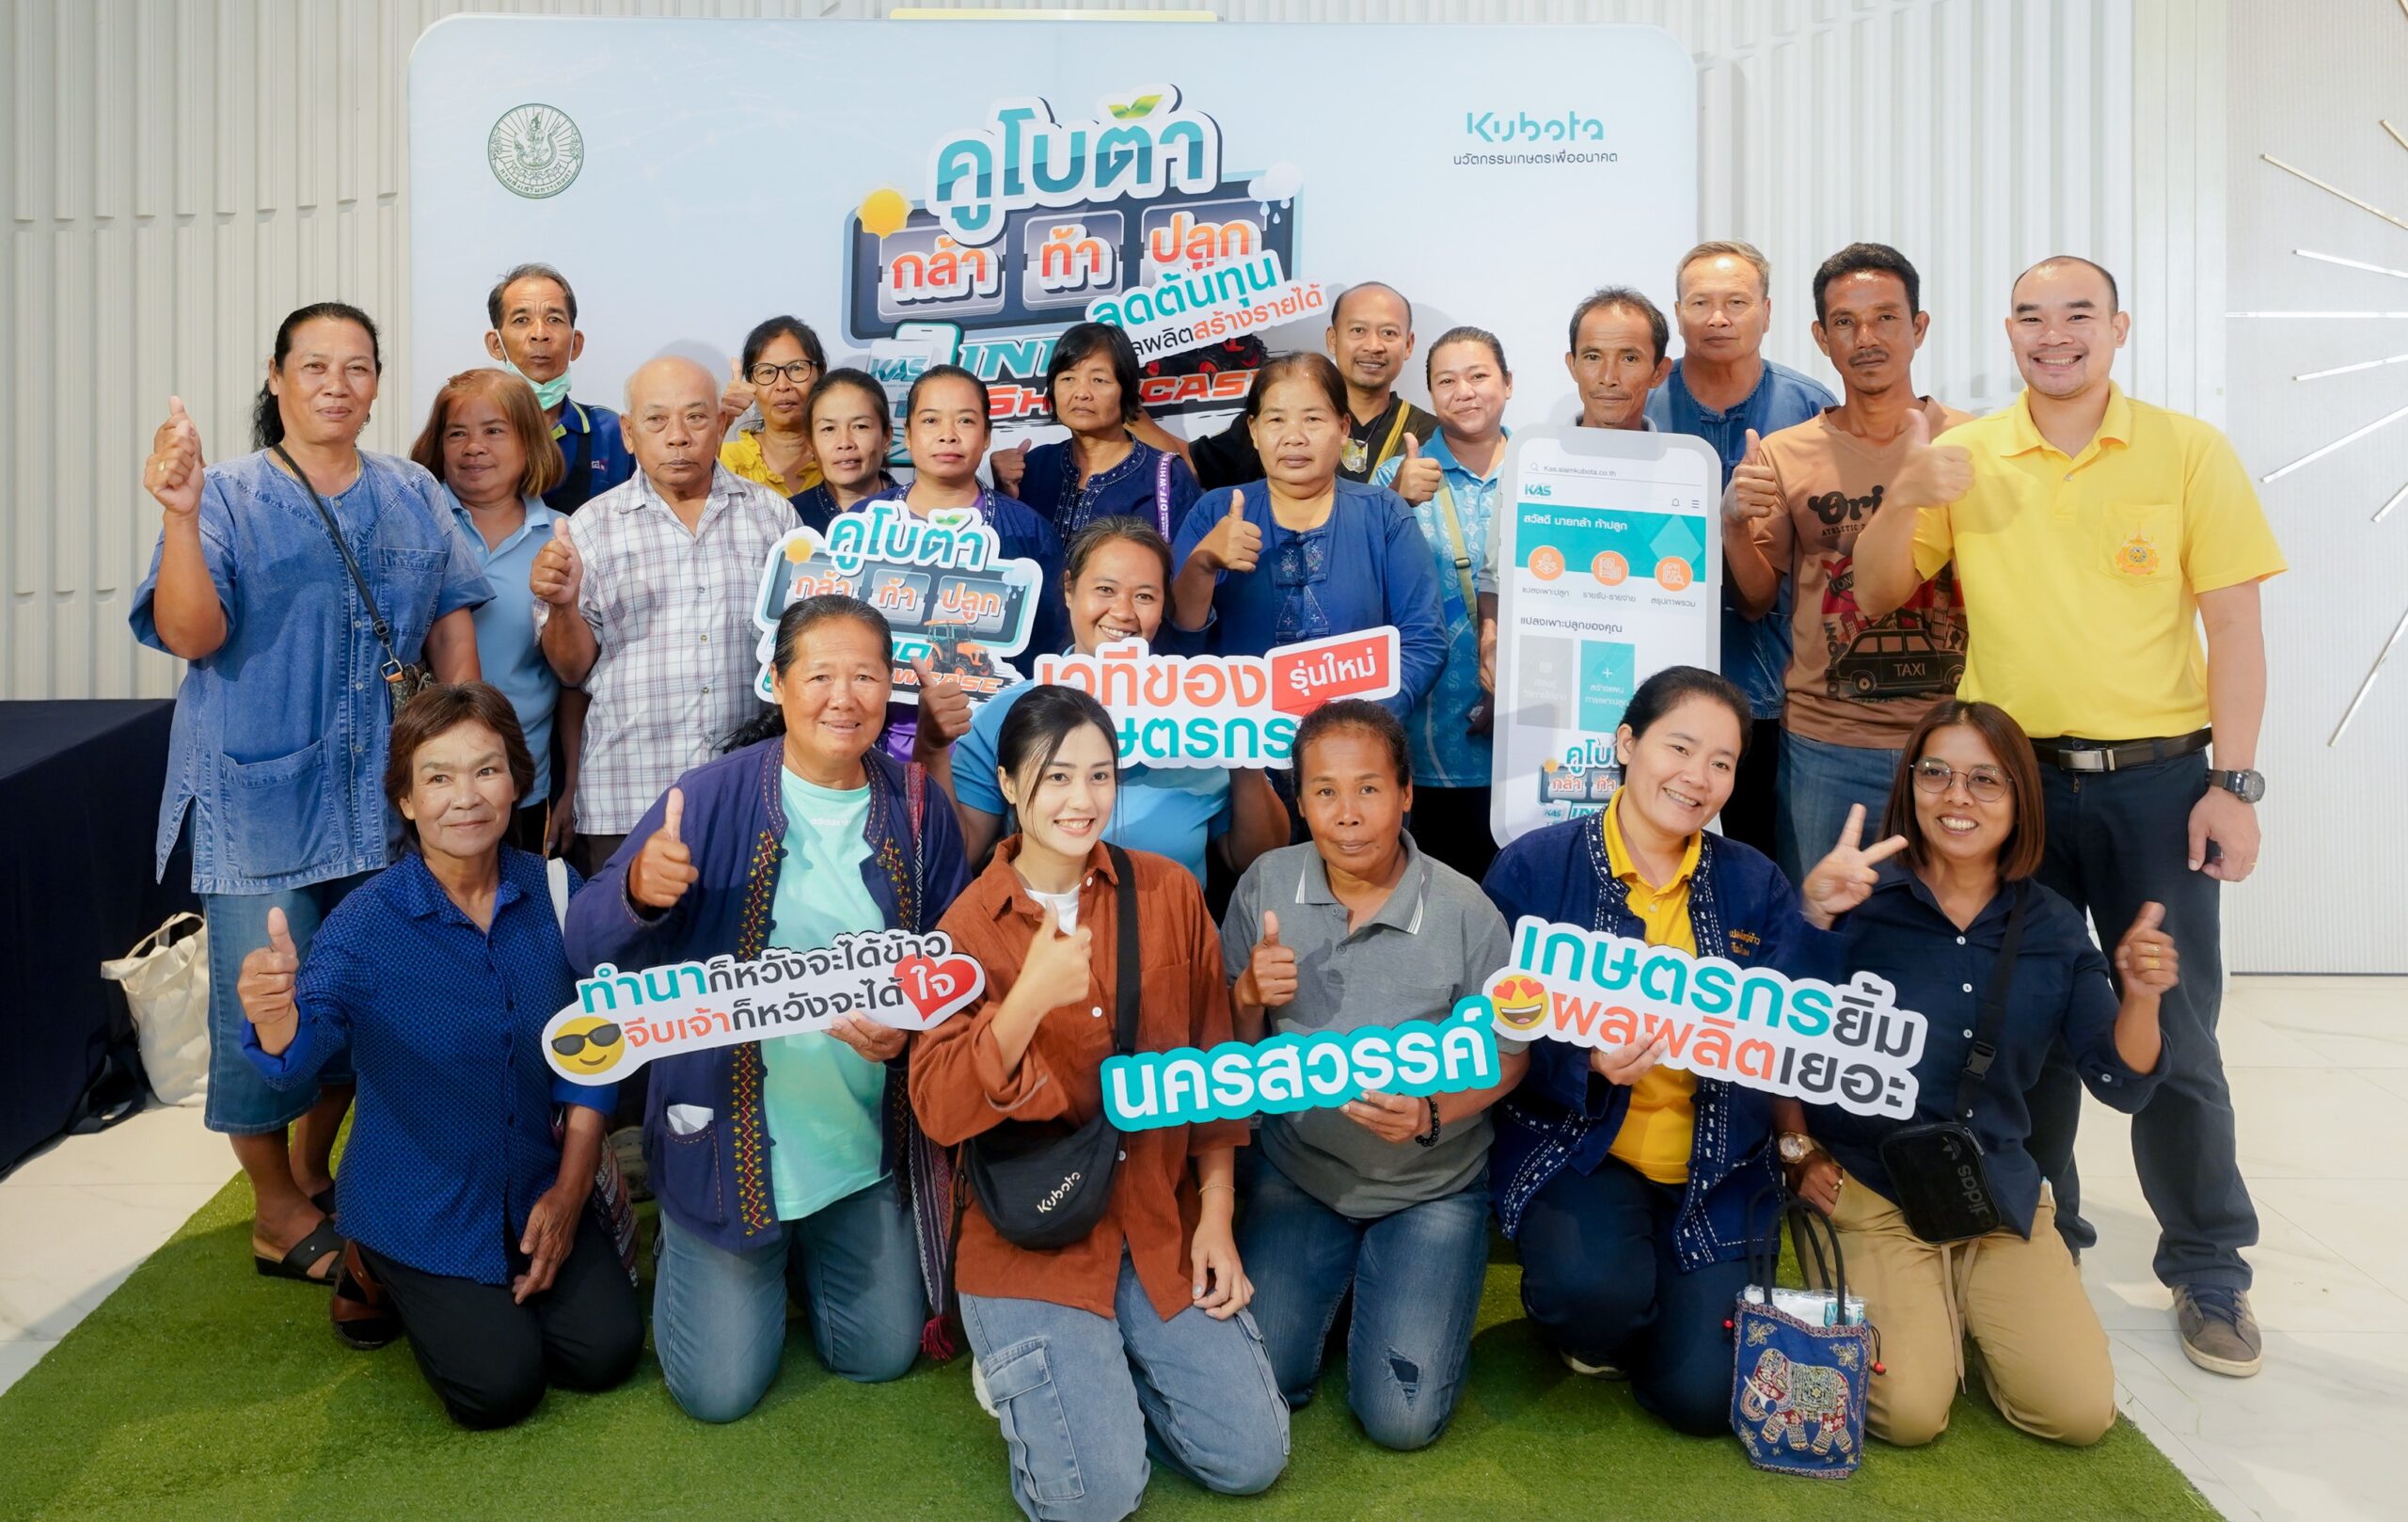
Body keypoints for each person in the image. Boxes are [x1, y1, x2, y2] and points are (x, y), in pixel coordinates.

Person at [1851, 255, 2286, 1378]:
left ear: (2118, 327)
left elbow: (2233, 631)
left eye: (2077, 315)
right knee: (2025, 1017)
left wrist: (2232, 785)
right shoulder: (1971, 453)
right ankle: (2044, 1227)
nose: (2055, 337)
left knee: (2169, 1018)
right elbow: (1882, 587)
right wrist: (1906, 487)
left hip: (2156, 780)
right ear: (2008, 332)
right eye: (2032, 318)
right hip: (2014, 783)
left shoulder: (2187, 450)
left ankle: (2208, 1267)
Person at [132, 300, 488, 1286]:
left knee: (359, 1000)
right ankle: (275, 1209)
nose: (337, 384)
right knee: (264, 1010)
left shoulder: (415, 492)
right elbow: (193, 635)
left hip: (385, 803)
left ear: (377, 382)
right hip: (263, 803)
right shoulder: (227, 494)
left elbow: (453, 630)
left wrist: (468, 755)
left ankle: (311, 1170)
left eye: (357, 366)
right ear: (278, 378)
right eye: (315, 365)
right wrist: (176, 514)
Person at [564, 595, 973, 1422]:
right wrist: (640, 893)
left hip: (859, 1149)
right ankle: (705, 1240)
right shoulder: (708, 799)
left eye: (865, 676)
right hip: (725, 1142)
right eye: (820, 674)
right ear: (777, 683)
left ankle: (806, 1253)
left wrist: (914, 1027)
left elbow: (958, 962)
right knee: (718, 1394)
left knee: (880, 1355)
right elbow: (584, 945)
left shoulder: (919, 809)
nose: (844, 696)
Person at [912, 684, 1290, 1522]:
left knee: (1251, 1458)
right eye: (1054, 778)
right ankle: (1032, 1364)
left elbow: (1214, 1064)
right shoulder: (966, 926)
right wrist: (1024, 1004)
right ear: (1009, 785)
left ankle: (1099, 1373)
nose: (1081, 801)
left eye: (1099, 776)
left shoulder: (1166, 893)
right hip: (1031, 1236)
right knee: (1095, 1501)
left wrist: (1217, 1217)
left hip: (1158, 1216)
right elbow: (938, 1108)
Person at [1481, 664, 1884, 1435]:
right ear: (1627, 744)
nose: (1697, 778)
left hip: (1717, 1166)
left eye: (1722, 763)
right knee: (1591, 1298)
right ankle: (1613, 1306)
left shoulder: (1752, 880)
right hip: (1582, 1152)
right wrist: (1586, 1062)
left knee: (1700, 1401)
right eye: (1680, 748)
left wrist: (1817, 916)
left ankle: (1665, 1303)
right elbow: (1488, 1023)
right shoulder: (1536, 867)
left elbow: (1790, 1025)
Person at [234, 684, 642, 1428]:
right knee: (499, 1391)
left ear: (517, 780)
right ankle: (372, 1259)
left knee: (605, 1355)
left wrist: (571, 1191)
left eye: (486, 771)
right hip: (420, 1201)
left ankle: (497, 1269)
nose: (466, 797)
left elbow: (597, 1052)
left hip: (539, 1181)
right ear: (407, 801)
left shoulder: (556, 891)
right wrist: (274, 1021)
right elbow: (299, 1058)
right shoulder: (365, 923)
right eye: (438, 777)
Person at [1776, 699, 2173, 1447]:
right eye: (1937, 774)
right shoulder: (1857, 898)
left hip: (1995, 1193)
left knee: (2078, 1414)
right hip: (1870, 1183)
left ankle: (1957, 1295)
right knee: (1910, 1414)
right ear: (1911, 785)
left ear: (2022, 799)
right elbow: (1771, 1036)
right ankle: (1924, 1303)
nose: (1957, 798)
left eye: (1986, 781)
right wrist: (1797, 1148)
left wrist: (2143, 999)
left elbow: (2123, 1082)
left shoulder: (2054, 925)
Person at [1222, 700, 1526, 1450]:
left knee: (1401, 1421)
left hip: (1431, 1188)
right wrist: (1246, 996)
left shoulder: (1468, 911)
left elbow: (1512, 1056)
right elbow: (1226, 1053)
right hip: (1299, 1175)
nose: (1348, 814)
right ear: (1299, 802)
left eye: (1369, 788)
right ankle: (1348, 1285)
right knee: (1265, 1378)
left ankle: (1386, 1282)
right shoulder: (1266, 884)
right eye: (1324, 791)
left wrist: (1432, 1114)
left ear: (1407, 793)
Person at [1720, 244, 1972, 887]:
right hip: (1828, 743)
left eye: (1886, 318)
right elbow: (1756, 600)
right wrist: (1728, 523)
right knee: (1826, 935)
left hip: (1956, 739)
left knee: (1951, 941)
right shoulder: (1785, 454)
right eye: (1845, 322)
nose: (1866, 338)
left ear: (1918, 327)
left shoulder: (1977, 445)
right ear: (1821, 338)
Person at [530, 356, 795, 878]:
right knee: (625, 955)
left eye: (696, 418)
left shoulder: (773, 518)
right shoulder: (590, 528)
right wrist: (562, 606)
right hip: (625, 798)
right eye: (656, 420)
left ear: (721, 425)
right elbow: (571, 671)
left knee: (744, 956)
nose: (678, 436)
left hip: (748, 796)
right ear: (628, 433)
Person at [938, 516, 1289, 884]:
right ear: (1069, 589)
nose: (1123, 612)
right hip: (1046, 936)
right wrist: (931, 748)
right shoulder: (1003, 714)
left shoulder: (1201, 706)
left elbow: (1256, 860)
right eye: (1105, 590)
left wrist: (1244, 748)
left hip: (1171, 936)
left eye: (1145, 596)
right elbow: (959, 854)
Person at [1646, 241, 1840, 855]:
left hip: (1780, 691)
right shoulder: (1640, 404)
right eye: (1700, 302)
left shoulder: (1811, 409)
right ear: (1678, 312)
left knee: (1770, 864)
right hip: (1656, 680)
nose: (1718, 318)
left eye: (1736, 302)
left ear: (1767, 310)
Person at [1169, 353, 1446, 725]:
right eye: (1276, 420)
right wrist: (1202, 566)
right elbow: (1175, 649)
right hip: (1237, 756)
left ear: (1344, 427)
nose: (1294, 437)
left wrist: (1360, 726)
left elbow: (1422, 641)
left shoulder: (1384, 514)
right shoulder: (1213, 512)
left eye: (1313, 419)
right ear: (1253, 430)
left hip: (1355, 753)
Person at [862, 365, 1069, 764]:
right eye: (931, 420)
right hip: (878, 746)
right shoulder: (865, 523)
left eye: (966, 421)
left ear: (987, 435)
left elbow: (1049, 648)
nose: (948, 434)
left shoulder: (1026, 532)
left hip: (989, 749)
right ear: (907, 434)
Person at [1474, 287, 1674, 693]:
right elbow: (1494, 581)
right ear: (1572, 365)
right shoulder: (1530, 463)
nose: (1608, 378)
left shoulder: (1681, 475)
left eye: (1630, 358)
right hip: (1546, 685)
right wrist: (1491, 644)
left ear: (1659, 370)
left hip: (1652, 686)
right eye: (1592, 357)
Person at [411, 368, 571, 854]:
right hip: (425, 778)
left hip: (521, 777)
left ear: (530, 441)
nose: (472, 447)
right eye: (456, 433)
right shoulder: (413, 521)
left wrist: (572, 787)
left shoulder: (567, 536)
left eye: (494, 431)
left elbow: (575, 684)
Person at [1370, 328, 1511, 880]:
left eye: (1479, 376)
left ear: (1508, 383)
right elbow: (1368, 600)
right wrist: (1394, 504)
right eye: (1446, 381)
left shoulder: (1546, 470)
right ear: (1429, 395)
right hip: (1431, 746)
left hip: (1534, 744)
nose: (1465, 391)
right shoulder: (1394, 479)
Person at [1188, 282, 1438, 491]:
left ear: (1408, 344)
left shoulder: (1430, 434)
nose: (1373, 345)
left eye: (1389, 333)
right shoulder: (1277, 422)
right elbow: (1188, 465)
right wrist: (1145, 419)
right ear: (1332, 338)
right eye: (1358, 330)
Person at [992, 322, 1202, 542]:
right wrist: (1003, 495)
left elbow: (1187, 568)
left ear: (1126, 391)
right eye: (1068, 378)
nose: (1082, 393)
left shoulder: (1167, 477)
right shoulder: (1033, 467)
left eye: (1099, 380)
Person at [483, 262, 633, 514]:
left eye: (554, 319)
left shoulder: (612, 432)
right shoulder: (471, 433)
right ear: (496, 345)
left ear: (576, 344)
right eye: (522, 320)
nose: (539, 334)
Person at [718, 315, 827, 497]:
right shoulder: (726, 460)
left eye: (797, 368)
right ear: (750, 382)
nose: (783, 385)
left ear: (821, 373)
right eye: (767, 372)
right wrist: (719, 425)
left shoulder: (840, 459)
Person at [790, 368, 900, 534]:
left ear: (886, 437)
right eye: (828, 429)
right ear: (810, 443)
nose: (844, 443)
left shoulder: (917, 512)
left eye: (860, 426)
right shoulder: (789, 517)